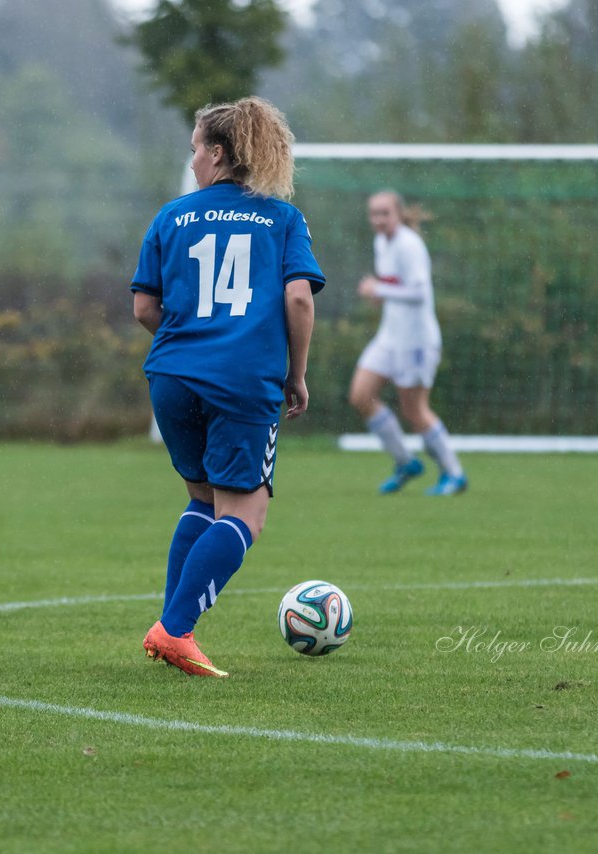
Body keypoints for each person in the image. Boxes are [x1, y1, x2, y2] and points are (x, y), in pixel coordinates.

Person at [130, 96, 325, 678]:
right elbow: (297, 297)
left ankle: (169, 626)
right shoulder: (281, 217)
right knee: (246, 513)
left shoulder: (171, 216)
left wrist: (191, 341)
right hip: (242, 380)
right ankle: (175, 630)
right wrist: (296, 374)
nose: (191, 161)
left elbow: (144, 306)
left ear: (217, 153)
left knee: (202, 500)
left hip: (170, 376)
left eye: (194, 149)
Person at [348, 190, 467, 496]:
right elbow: (394, 287)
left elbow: (419, 294)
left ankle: (454, 474)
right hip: (390, 336)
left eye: (385, 213)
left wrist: (380, 290)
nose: (379, 220)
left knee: (414, 410)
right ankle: (405, 462)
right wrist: (379, 293)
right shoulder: (381, 243)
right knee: (361, 395)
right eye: (374, 214)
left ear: (399, 214)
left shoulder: (409, 245)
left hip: (416, 340)